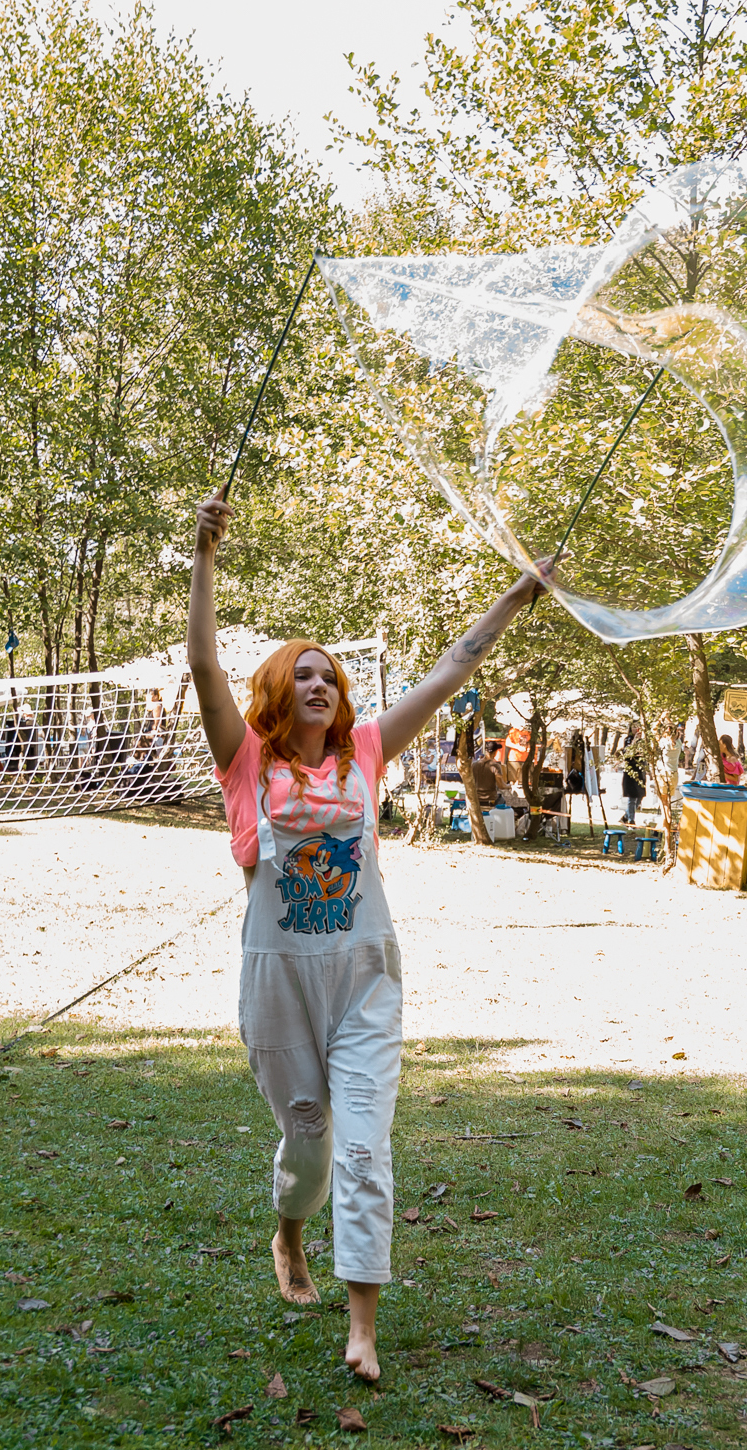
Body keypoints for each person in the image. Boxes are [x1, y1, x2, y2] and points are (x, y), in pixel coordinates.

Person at [187, 491, 553, 1382]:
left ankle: (362, 1327)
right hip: (278, 980)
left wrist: (515, 596)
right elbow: (203, 666)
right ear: (279, 692)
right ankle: (289, 1232)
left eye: (330, 677)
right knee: (310, 1139)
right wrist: (202, 557)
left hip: (363, 976)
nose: (319, 684)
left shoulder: (366, 753)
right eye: (303, 675)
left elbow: (450, 671)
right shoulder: (245, 759)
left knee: (362, 1147)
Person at [620, 737, 646, 823]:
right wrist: (633, 742)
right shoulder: (628, 745)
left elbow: (645, 760)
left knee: (640, 797)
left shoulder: (644, 748)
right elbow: (625, 755)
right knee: (632, 798)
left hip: (640, 774)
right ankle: (631, 820)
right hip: (630, 774)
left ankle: (626, 816)